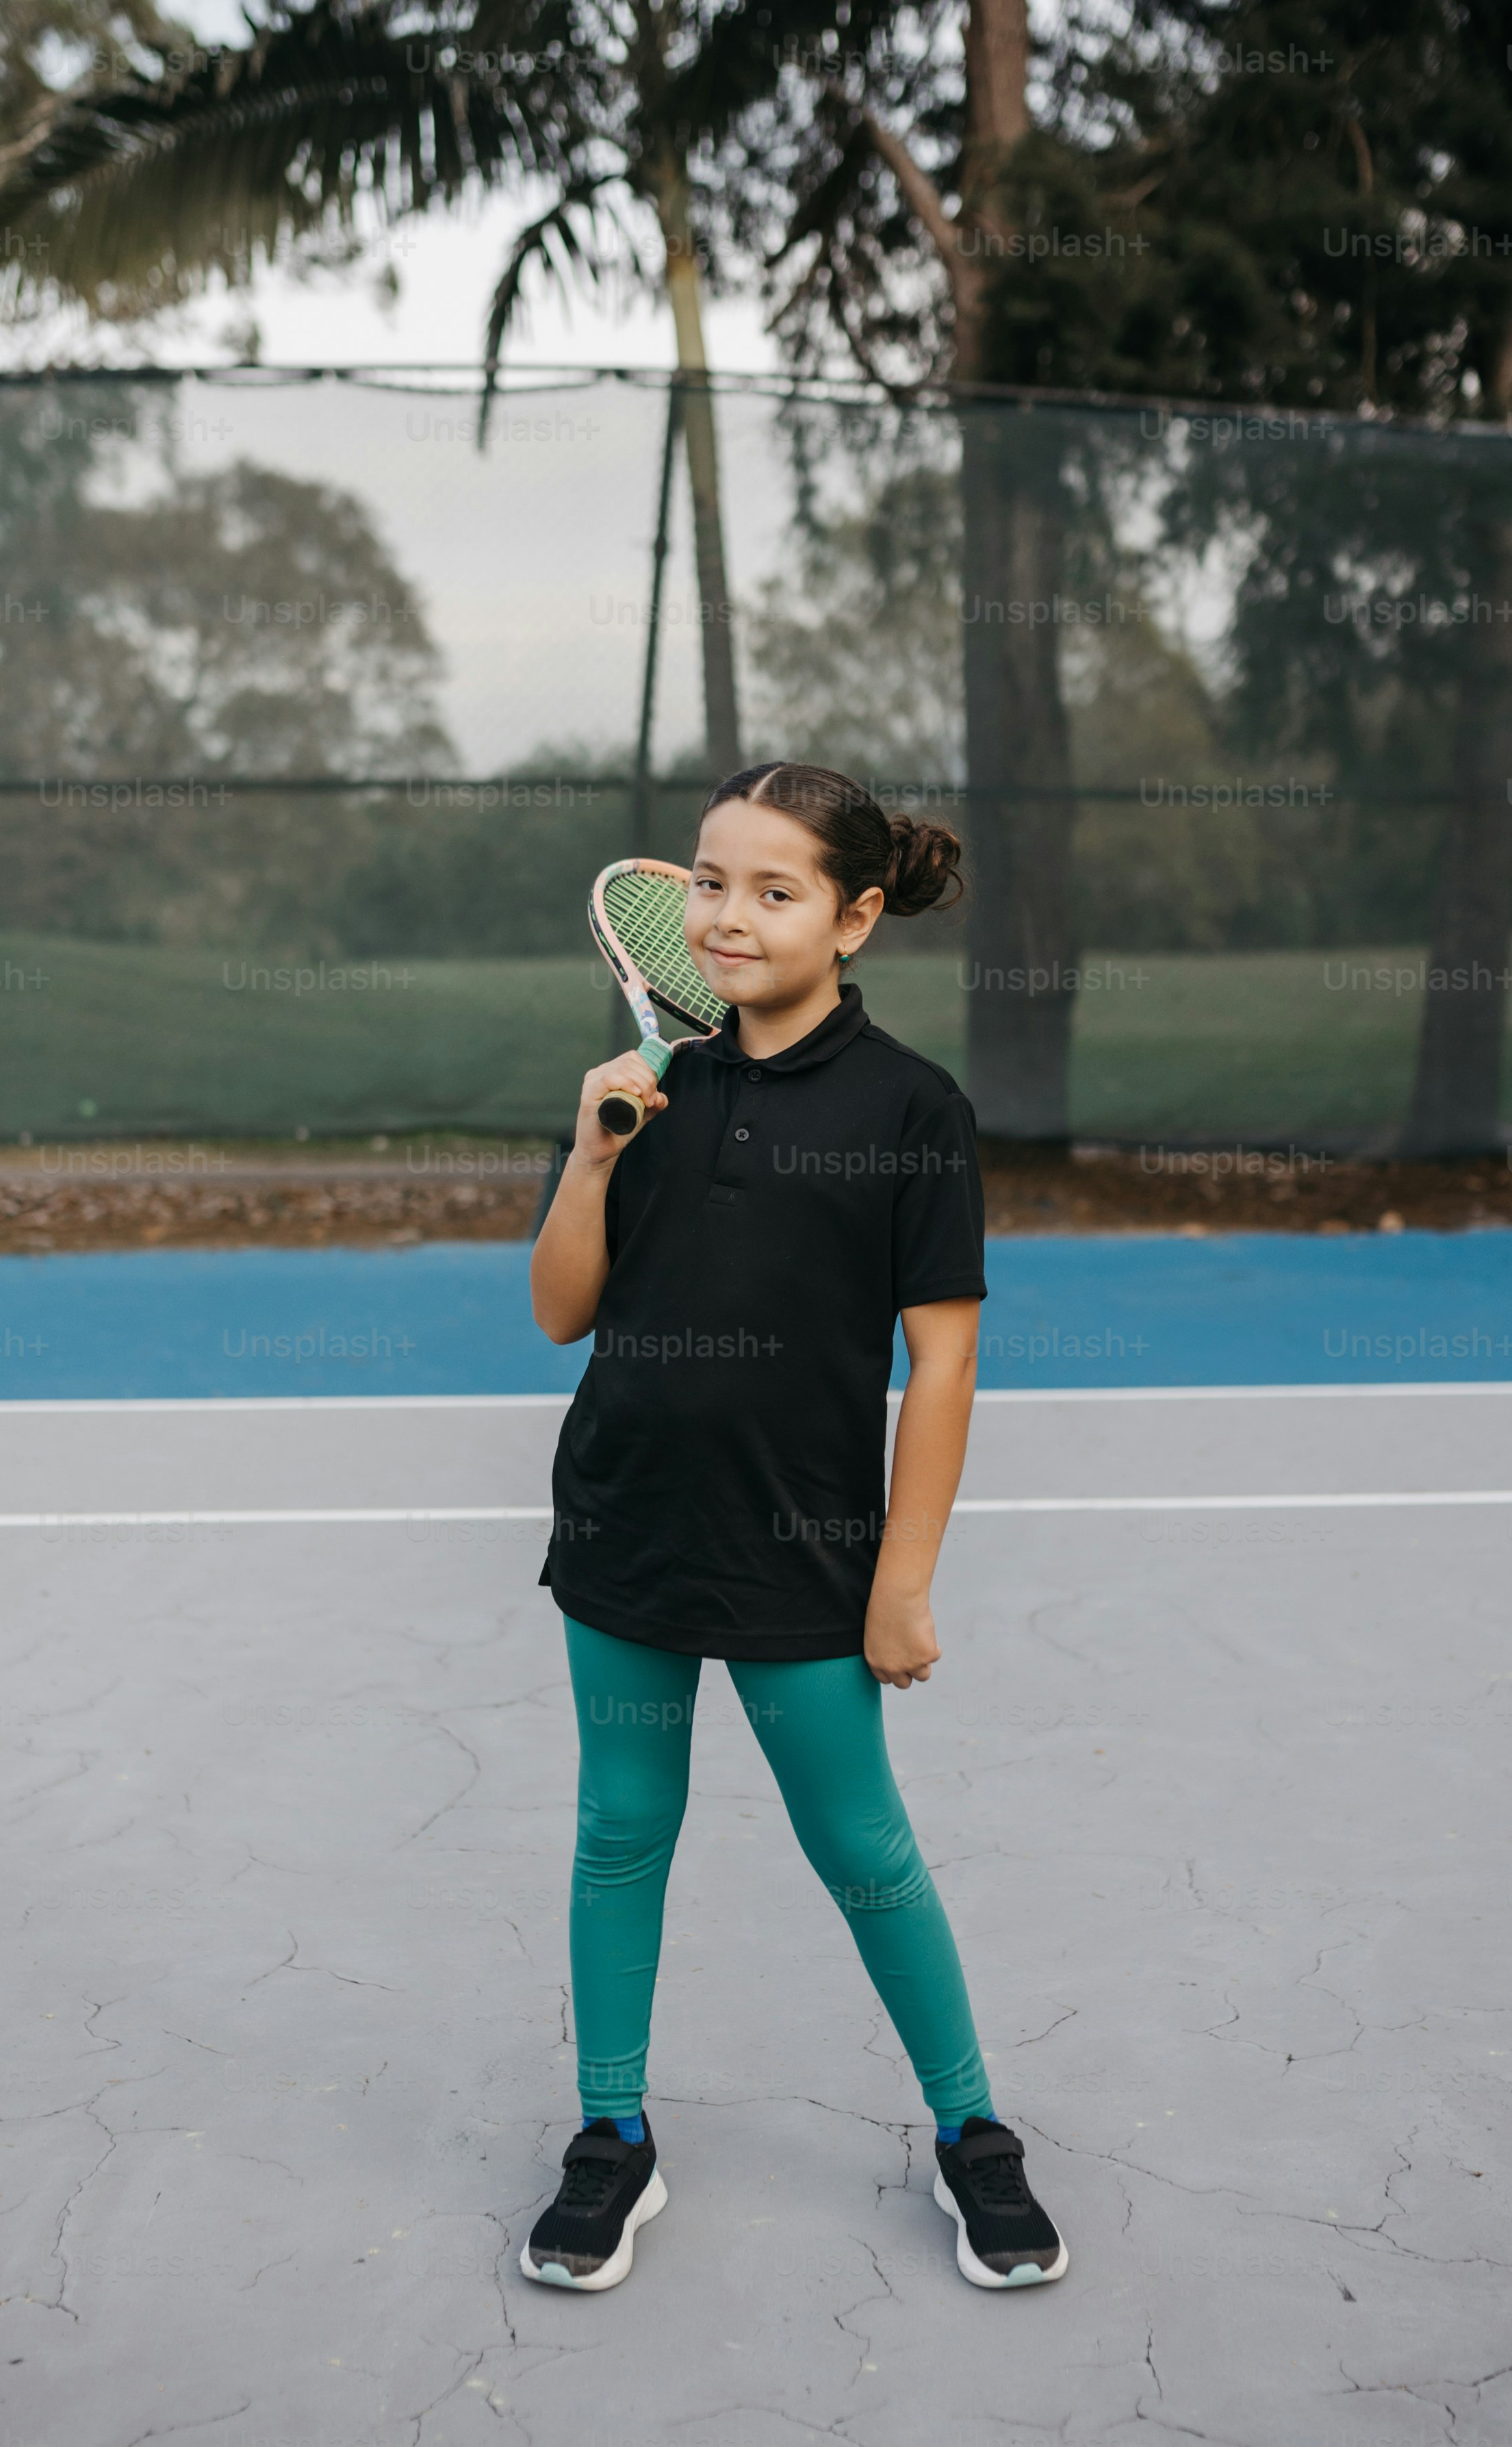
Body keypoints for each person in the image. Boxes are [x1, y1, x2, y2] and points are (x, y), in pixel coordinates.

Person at [522, 761, 1066, 2294]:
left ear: (856, 916)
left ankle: (970, 2129)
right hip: (625, 1528)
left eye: (775, 890)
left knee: (862, 1844)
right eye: (709, 881)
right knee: (620, 1827)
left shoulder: (910, 1109)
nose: (728, 915)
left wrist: (902, 1581)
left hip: (804, 1550)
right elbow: (559, 1310)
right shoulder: (646, 1085)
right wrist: (594, 1151)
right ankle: (612, 2131)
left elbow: (943, 1360)